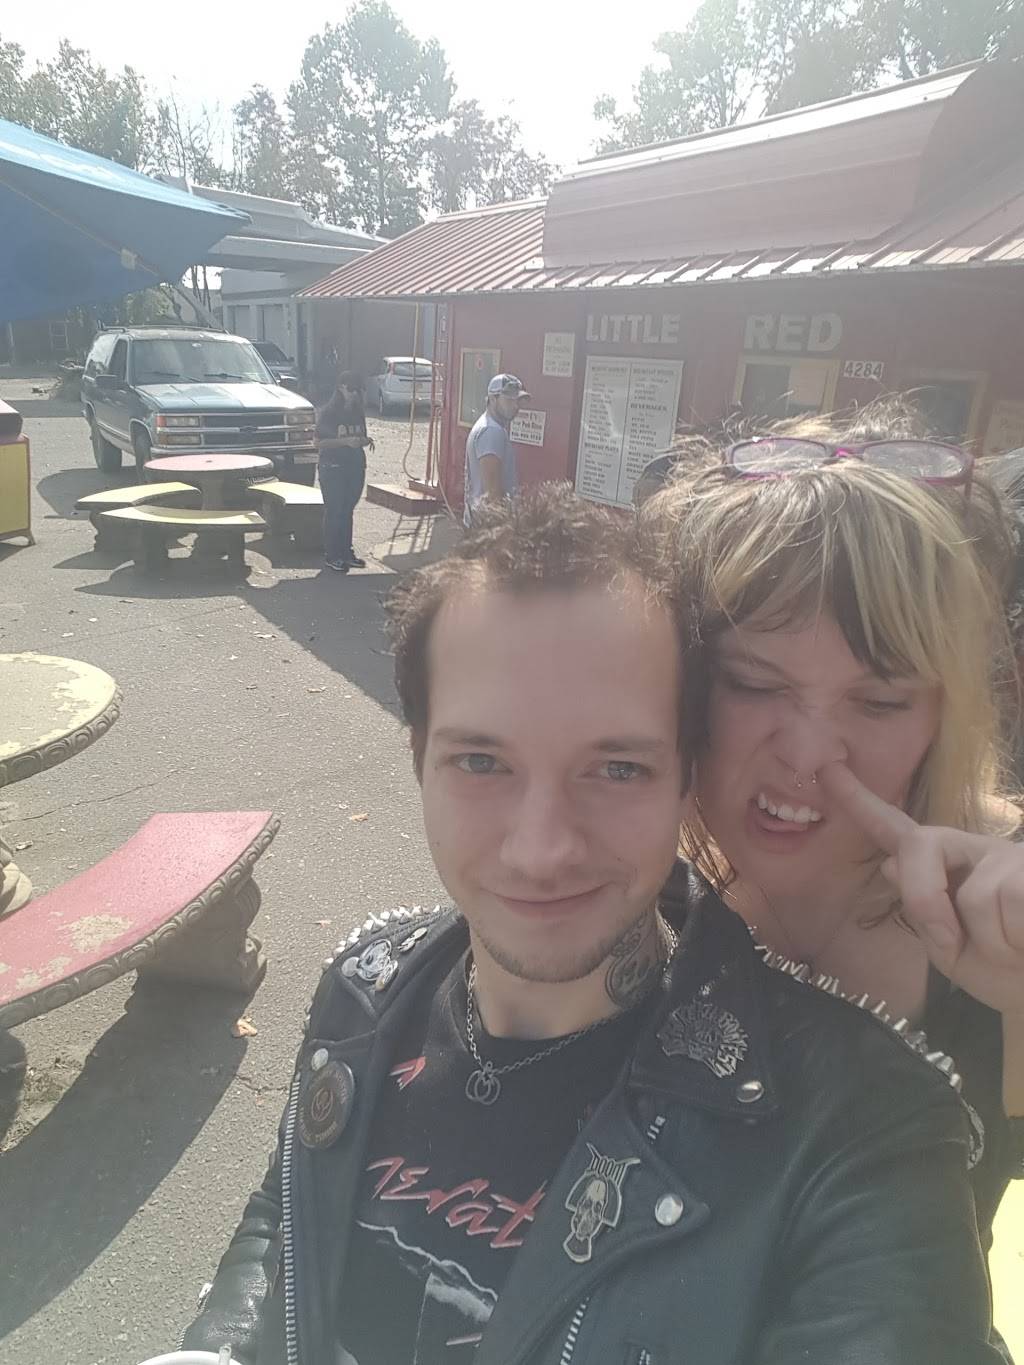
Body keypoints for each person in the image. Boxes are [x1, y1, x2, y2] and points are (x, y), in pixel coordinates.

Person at [180, 483, 1000, 1365]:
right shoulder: (364, 988)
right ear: (418, 757)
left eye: (616, 769)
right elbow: (292, 1216)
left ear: (685, 775)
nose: (541, 851)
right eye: (481, 760)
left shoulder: (866, 1122)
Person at [646, 401, 1024, 1252]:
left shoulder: (1005, 897)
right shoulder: (634, 878)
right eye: (755, 683)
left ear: (947, 711)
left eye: (881, 700)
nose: (809, 753)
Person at [316, 370, 375, 574]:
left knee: (348, 509)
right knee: (335, 510)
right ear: (341, 387)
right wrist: (345, 442)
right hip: (333, 467)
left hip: (355, 465)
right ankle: (332, 555)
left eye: (358, 390)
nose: (355, 394)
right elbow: (318, 442)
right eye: (351, 389)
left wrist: (364, 441)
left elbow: (360, 435)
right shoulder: (329, 413)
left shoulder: (357, 412)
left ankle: (346, 552)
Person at [463, 373, 529, 526]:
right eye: (509, 400)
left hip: (480, 520)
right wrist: (503, 529)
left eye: (518, 400)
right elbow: (492, 492)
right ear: (493, 399)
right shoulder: (492, 431)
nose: (515, 406)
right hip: (488, 525)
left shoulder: (488, 426)